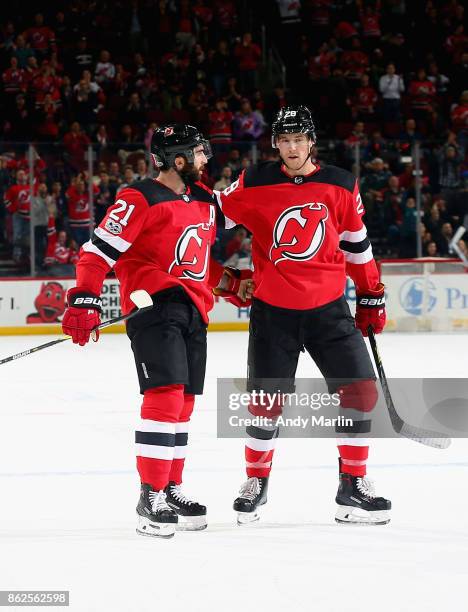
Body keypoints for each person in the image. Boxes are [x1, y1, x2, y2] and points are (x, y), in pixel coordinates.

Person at [215, 106, 391, 525]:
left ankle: (352, 485)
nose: (291, 147)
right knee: (265, 404)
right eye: (284, 139)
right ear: (274, 142)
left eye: (299, 139)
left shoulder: (341, 184)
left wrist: (370, 295)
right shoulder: (253, 182)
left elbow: (357, 246)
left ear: (312, 141)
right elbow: (201, 220)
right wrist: (220, 277)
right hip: (274, 311)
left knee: (360, 393)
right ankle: (256, 482)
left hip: (329, 309)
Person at [62, 125, 222, 539]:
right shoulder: (139, 198)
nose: (206, 161)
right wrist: (83, 298)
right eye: (199, 154)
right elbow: (97, 252)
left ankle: (171, 487)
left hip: (195, 311)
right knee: (165, 396)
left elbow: (197, 258)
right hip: (155, 309)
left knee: (184, 404)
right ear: (179, 159)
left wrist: (228, 281)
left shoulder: (204, 201)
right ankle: (150, 495)